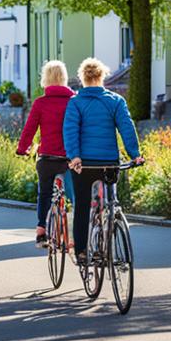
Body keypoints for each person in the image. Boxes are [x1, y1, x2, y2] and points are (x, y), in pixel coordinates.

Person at [63, 57, 143, 264]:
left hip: (84, 163)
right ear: (102, 77)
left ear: (82, 78)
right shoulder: (115, 101)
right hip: (109, 162)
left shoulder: (75, 102)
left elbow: (70, 131)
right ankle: (109, 227)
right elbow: (127, 128)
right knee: (110, 200)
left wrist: (75, 157)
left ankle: (81, 252)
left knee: (81, 207)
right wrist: (135, 154)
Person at [16, 59, 75, 247]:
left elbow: (29, 129)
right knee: (75, 196)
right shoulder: (74, 102)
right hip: (69, 159)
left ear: (45, 79)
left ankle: (41, 231)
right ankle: (74, 236)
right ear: (64, 78)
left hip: (47, 158)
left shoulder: (40, 103)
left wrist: (22, 149)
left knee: (45, 193)